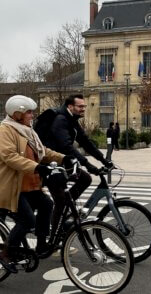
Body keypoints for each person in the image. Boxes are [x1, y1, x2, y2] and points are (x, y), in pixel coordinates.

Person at [0, 95, 66, 273]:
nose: (32, 115)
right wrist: (38, 167)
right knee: (27, 220)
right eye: (28, 112)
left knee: (47, 204)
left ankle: (41, 245)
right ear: (17, 114)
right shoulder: (5, 131)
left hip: (29, 185)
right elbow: (10, 157)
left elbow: (43, 151)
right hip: (11, 187)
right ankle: (5, 254)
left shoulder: (27, 130)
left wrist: (64, 158)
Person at [39, 94, 112, 236]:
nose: (83, 109)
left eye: (84, 106)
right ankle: (54, 237)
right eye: (80, 106)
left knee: (85, 179)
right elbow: (66, 146)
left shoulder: (72, 120)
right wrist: (87, 164)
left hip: (63, 162)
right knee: (59, 201)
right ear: (70, 107)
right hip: (51, 165)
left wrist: (103, 159)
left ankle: (67, 206)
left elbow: (85, 142)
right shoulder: (61, 120)